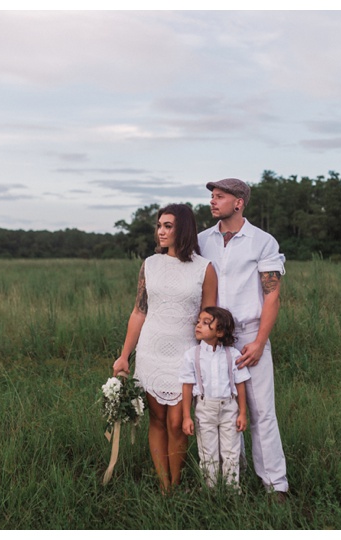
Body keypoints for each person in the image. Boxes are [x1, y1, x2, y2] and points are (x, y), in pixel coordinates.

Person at [112, 203, 218, 492]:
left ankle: (179, 479)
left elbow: (209, 318)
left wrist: (208, 359)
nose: (160, 231)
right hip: (151, 351)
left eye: (168, 226)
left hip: (185, 356)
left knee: (177, 423)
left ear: (183, 229)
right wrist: (124, 356)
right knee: (157, 420)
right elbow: (139, 311)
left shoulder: (204, 268)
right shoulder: (150, 264)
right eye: (159, 225)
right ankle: (165, 487)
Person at [197, 178, 289, 501]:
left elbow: (272, 296)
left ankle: (275, 485)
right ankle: (230, 480)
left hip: (250, 334)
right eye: (211, 196)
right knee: (220, 408)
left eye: (219, 196)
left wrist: (261, 342)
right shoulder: (202, 240)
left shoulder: (261, 242)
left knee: (262, 411)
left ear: (239, 203)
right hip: (212, 339)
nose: (212, 201)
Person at [179, 306, 249, 489]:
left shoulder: (232, 355)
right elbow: (187, 386)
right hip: (204, 409)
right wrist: (186, 416)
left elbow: (240, 385)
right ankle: (210, 490)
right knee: (207, 453)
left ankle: (232, 490)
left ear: (220, 331)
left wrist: (242, 412)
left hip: (230, 409)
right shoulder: (192, 356)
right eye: (199, 321)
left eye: (206, 323)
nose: (199, 326)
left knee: (231, 452)